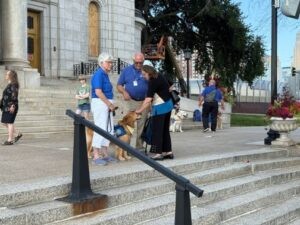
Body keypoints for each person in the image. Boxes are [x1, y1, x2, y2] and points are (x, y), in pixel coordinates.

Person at [135, 65, 174, 160]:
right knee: (165, 130)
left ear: (148, 72)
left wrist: (139, 110)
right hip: (168, 106)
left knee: (157, 131)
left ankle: (158, 153)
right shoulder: (160, 75)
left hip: (160, 108)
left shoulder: (152, 81)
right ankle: (168, 152)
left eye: (144, 74)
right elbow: (171, 85)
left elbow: (148, 99)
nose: (144, 76)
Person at [117, 53, 149, 150]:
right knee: (127, 124)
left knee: (141, 125)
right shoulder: (126, 70)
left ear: (143, 61)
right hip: (130, 101)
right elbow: (119, 85)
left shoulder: (147, 70)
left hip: (143, 102)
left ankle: (139, 147)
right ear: (133, 61)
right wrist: (124, 92)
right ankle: (126, 147)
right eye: (137, 62)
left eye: (141, 62)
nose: (139, 64)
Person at [91, 52, 117, 165]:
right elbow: (98, 92)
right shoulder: (98, 74)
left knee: (108, 129)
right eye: (108, 62)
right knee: (100, 128)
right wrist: (109, 104)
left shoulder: (105, 74)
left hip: (106, 103)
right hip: (100, 102)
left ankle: (105, 154)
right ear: (102, 63)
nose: (111, 64)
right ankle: (96, 155)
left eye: (111, 62)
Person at [0, 70, 22, 145]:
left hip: (11, 106)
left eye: (7, 74)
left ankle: (10, 140)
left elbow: (14, 96)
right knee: (4, 122)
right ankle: (17, 134)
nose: (5, 75)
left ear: (11, 76)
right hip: (6, 107)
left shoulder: (14, 85)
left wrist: (12, 105)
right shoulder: (10, 84)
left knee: (9, 122)